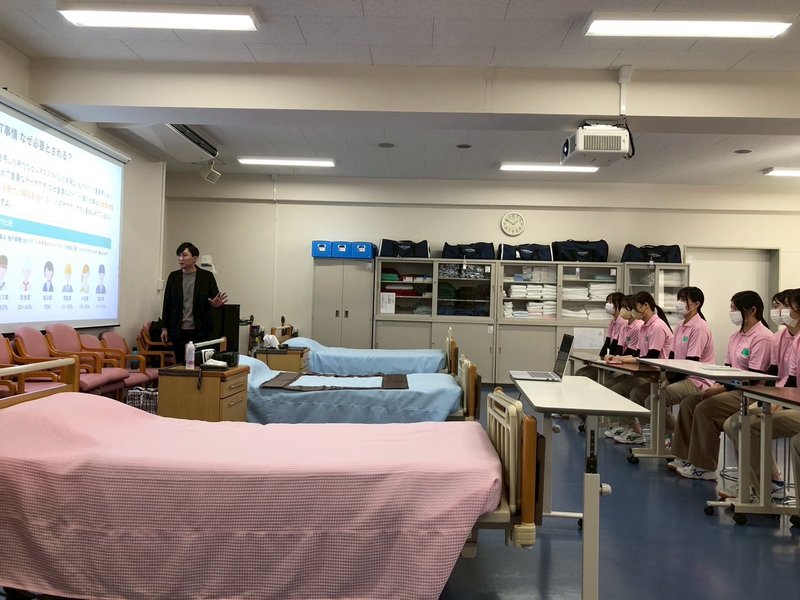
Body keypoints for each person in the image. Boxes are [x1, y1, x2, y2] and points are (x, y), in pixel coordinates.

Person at [670, 290, 773, 481]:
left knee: (705, 408)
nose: (731, 312)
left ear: (752, 310)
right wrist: (717, 384)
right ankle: (684, 455)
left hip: (750, 392)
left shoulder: (763, 337)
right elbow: (726, 368)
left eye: (735, 308)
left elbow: (752, 378)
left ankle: (704, 466)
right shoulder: (736, 336)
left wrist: (719, 389)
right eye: (731, 307)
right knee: (690, 403)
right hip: (731, 387)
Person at [720, 288, 800, 499]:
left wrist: (778, 403)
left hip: (789, 401)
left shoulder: (771, 337)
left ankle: (765, 486)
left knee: (749, 426)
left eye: (784, 306)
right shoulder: (780, 336)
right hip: (779, 395)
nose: (780, 311)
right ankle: (763, 483)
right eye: (777, 306)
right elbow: (775, 373)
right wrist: (770, 399)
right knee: (734, 423)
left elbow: (791, 381)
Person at [632, 286, 715, 448]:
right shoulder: (680, 325)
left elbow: (692, 363)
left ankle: (675, 438)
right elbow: (671, 357)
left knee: (656, 398)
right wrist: (665, 377)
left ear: (696, 304)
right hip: (680, 375)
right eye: (679, 299)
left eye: (684, 300)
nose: (679, 303)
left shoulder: (700, 327)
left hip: (697, 379)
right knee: (641, 394)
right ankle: (661, 436)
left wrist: (668, 380)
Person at [604, 291, 674, 444]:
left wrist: (621, 359)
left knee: (630, 392)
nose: (632, 311)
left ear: (645, 306)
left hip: (658, 374)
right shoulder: (645, 327)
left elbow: (651, 357)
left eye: (634, 307)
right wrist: (618, 358)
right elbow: (638, 354)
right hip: (647, 372)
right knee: (630, 391)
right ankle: (640, 430)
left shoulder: (656, 326)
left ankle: (663, 433)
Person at [160, 242, 228, 363]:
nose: (181, 259)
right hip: (178, 330)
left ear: (195, 258)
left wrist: (216, 305)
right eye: (179, 255)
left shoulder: (206, 277)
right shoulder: (173, 277)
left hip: (200, 330)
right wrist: (164, 328)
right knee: (181, 364)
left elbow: (215, 300)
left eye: (184, 255)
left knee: (199, 364)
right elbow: (167, 303)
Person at [575, 291, 626, 381]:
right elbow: (607, 342)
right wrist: (600, 359)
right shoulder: (613, 321)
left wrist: (608, 362)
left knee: (583, 374)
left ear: (619, 303)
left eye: (611, 302)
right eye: (607, 301)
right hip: (608, 359)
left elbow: (616, 345)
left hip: (617, 360)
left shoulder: (623, 322)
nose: (608, 304)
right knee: (579, 372)